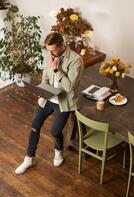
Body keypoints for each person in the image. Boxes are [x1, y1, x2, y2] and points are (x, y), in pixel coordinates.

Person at [15, 32, 84, 174]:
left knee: (55, 131)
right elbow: (45, 77)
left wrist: (56, 69)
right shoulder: (48, 54)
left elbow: (70, 87)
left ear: (61, 45)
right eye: (47, 49)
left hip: (64, 101)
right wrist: (42, 88)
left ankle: (58, 150)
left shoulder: (76, 60)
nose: (49, 53)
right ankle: (29, 158)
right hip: (47, 97)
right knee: (34, 126)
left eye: (52, 50)